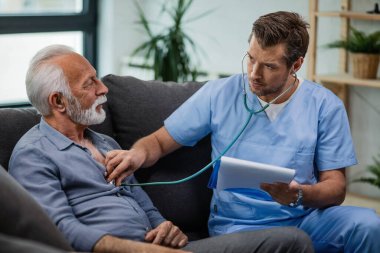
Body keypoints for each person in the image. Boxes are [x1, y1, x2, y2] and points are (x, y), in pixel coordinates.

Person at [103, 11, 380, 253]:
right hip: (238, 225)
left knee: (368, 225)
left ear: (296, 65)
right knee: (289, 241)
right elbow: (159, 142)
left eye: (269, 66)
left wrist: (299, 195)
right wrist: (136, 155)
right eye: (251, 58)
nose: (254, 74)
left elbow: (336, 187)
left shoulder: (325, 105)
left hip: (304, 217)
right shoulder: (220, 93)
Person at [9, 44, 313, 253]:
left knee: (291, 240)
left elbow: (146, 207)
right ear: (58, 102)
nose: (103, 89)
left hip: (163, 247)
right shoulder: (34, 154)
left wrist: (166, 228)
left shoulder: (106, 143)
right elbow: (59, 229)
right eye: (90, 83)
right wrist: (140, 250)